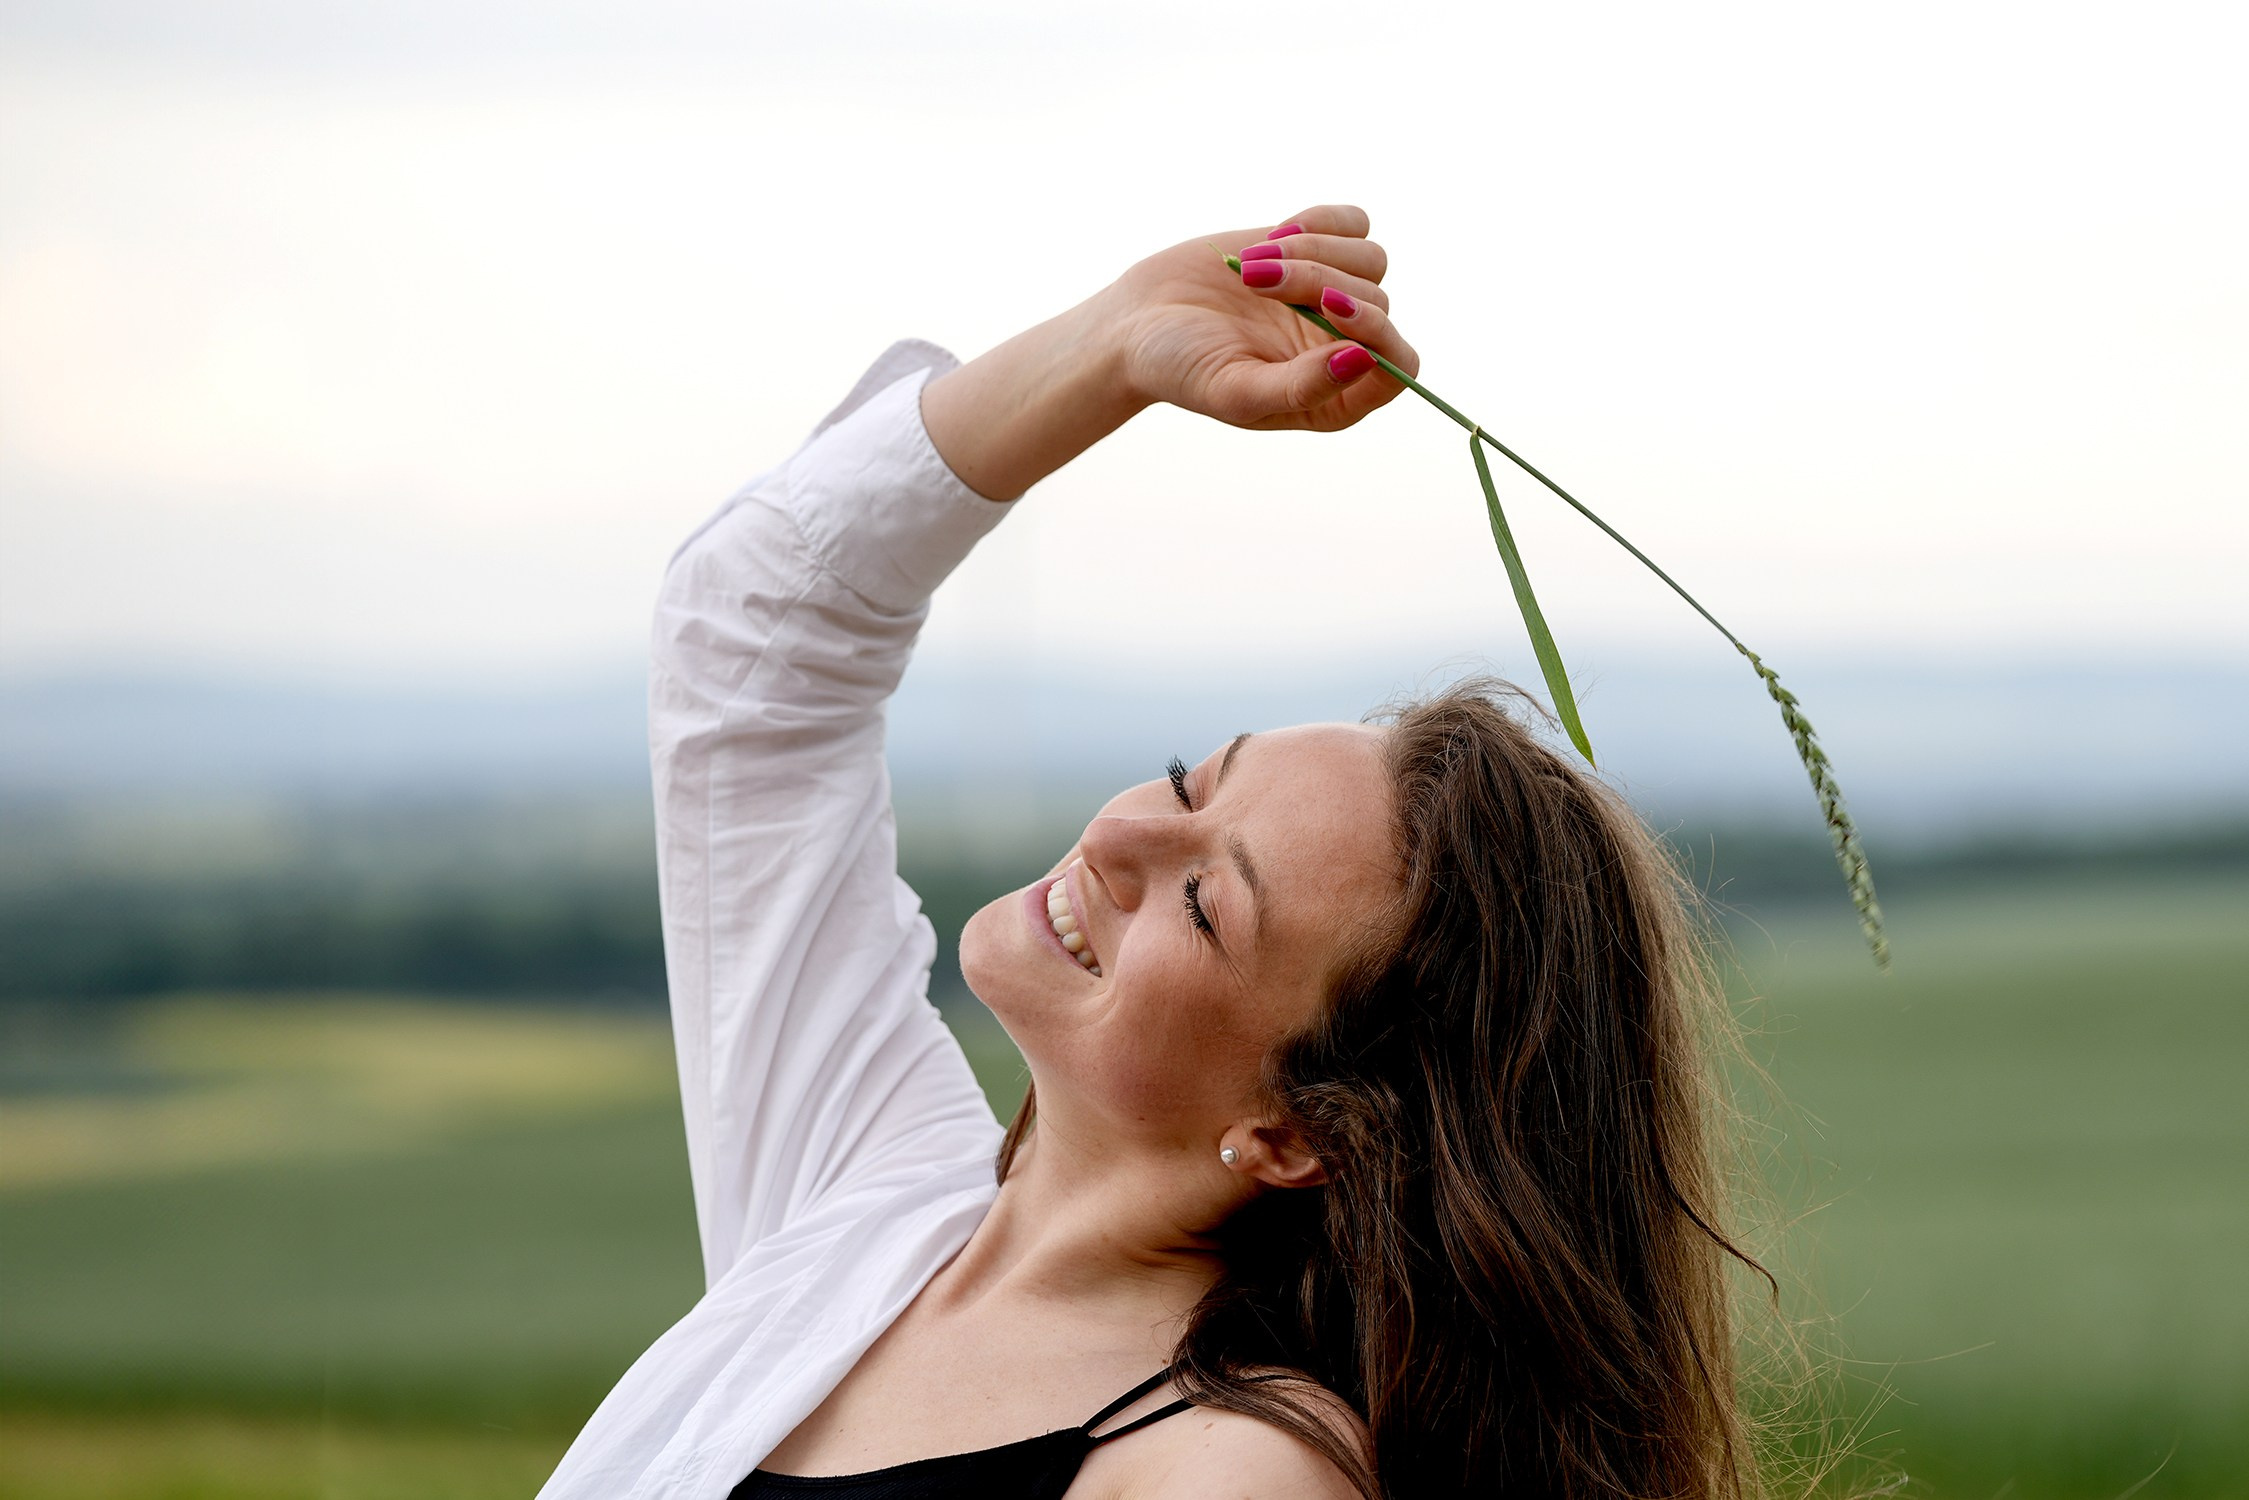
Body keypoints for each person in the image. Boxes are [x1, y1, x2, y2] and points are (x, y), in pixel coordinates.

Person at [539, 205, 1771, 1500]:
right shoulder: (868, 1212)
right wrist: (1114, 343)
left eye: (1203, 903)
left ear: (1295, 1133)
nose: (1121, 833)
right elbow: (751, 640)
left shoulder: (1233, 1470)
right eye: (1190, 780)